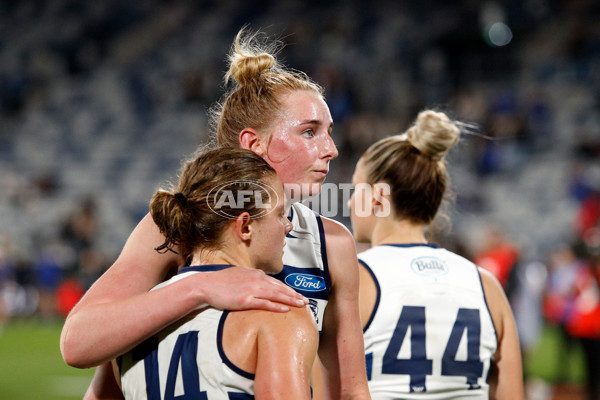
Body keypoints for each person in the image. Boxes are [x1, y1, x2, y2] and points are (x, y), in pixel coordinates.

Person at [60, 28, 369, 400]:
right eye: (309, 132)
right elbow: (79, 344)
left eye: (330, 132)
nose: (331, 149)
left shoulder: (332, 243)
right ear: (254, 144)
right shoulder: (180, 223)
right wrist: (201, 286)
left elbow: (350, 391)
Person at [114, 147, 318, 399]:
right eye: (279, 214)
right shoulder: (278, 311)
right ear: (245, 226)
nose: (288, 226)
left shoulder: (127, 325)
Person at [349, 110, 524, 399]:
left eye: (356, 188)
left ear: (378, 197)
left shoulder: (353, 279)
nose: (350, 200)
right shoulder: (487, 286)